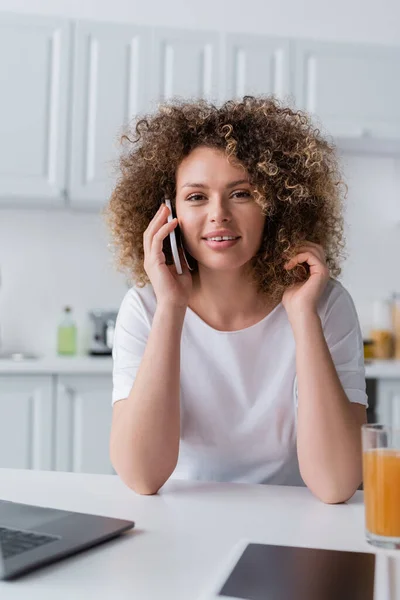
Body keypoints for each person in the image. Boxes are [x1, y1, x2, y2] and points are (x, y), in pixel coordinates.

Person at [105, 95, 367, 503]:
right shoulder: (147, 307)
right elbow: (142, 476)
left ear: (275, 206)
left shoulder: (324, 303)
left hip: (296, 529)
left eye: (242, 193)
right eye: (196, 197)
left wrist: (301, 316)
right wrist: (172, 308)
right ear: (167, 214)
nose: (218, 214)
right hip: (185, 524)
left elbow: (336, 485)